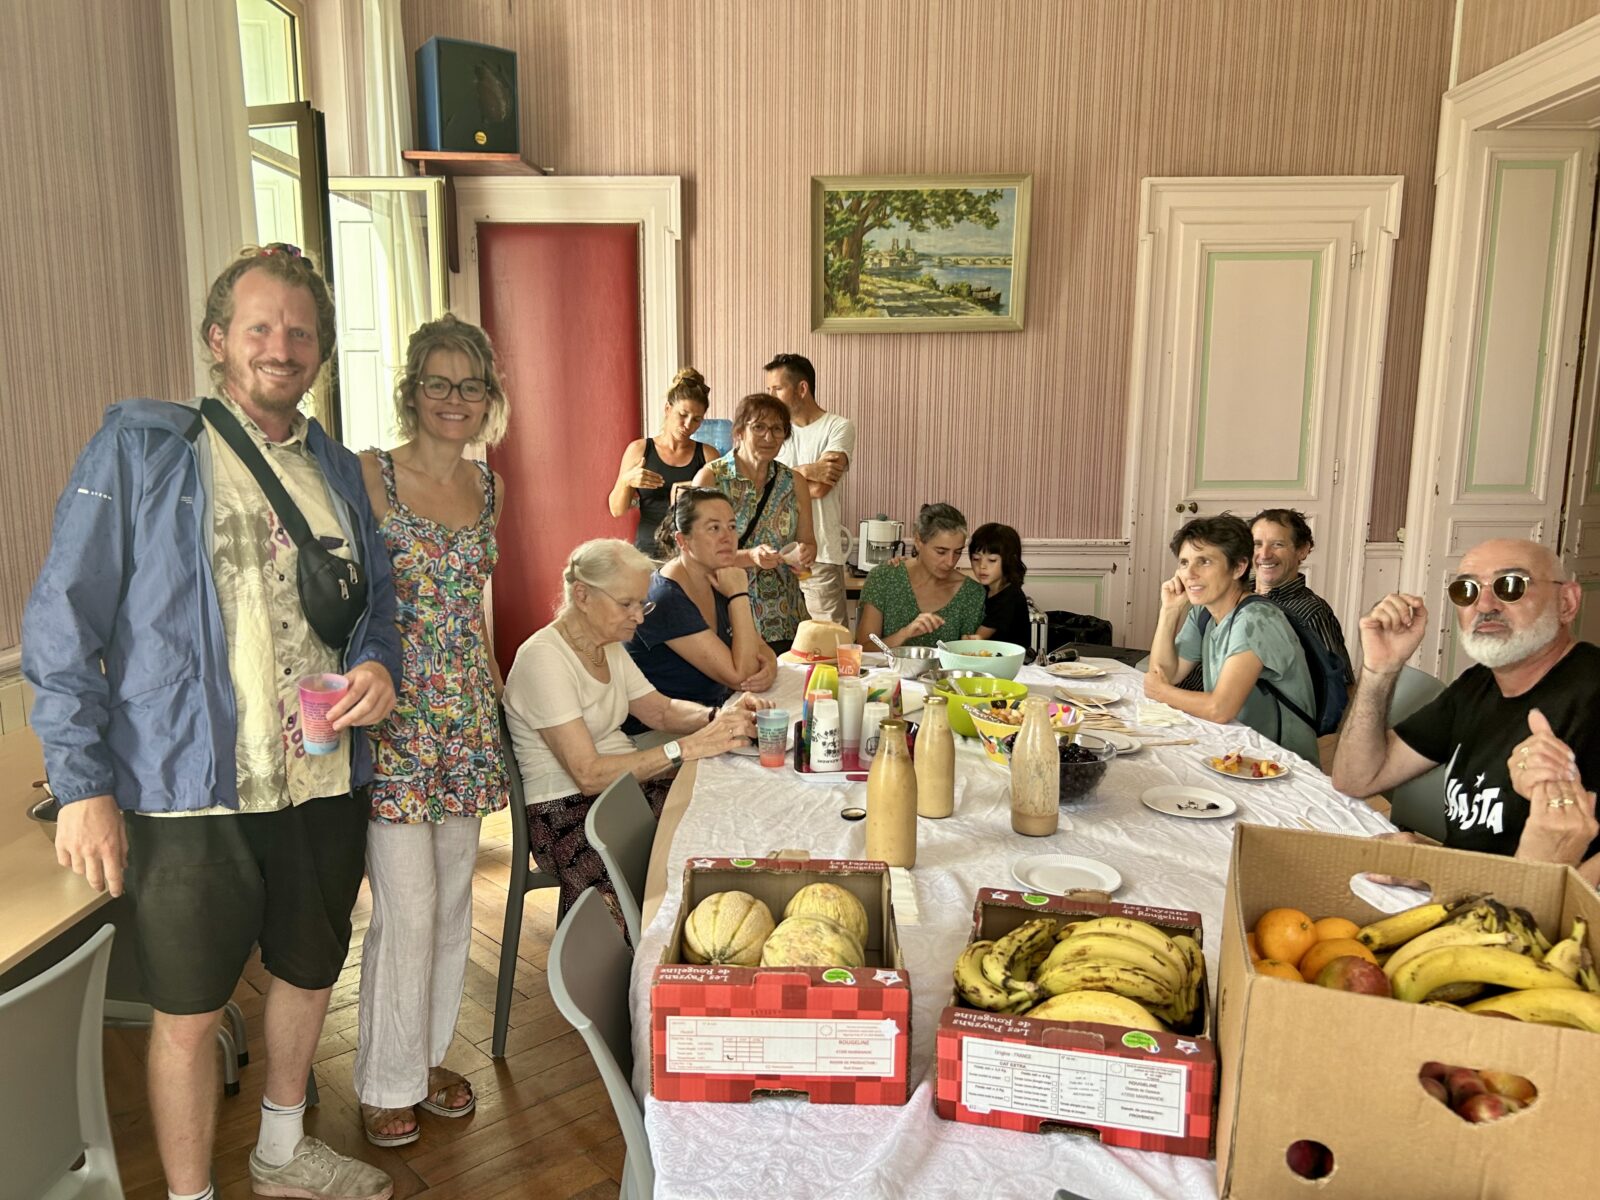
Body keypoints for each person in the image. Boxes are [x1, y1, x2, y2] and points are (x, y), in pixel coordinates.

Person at [23, 244, 400, 1200]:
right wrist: (83, 785)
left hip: (321, 776)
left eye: (301, 331)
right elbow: (62, 620)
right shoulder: (145, 450)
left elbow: (376, 608)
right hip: (188, 791)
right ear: (217, 341)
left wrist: (377, 667)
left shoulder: (336, 469)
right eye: (261, 327)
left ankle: (281, 1151)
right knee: (188, 1011)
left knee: (311, 971)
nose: (283, 346)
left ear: (320, 352)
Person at [352, 316, 510, 1147]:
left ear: (490, 398)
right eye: (439, 383)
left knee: (452, 904)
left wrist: (501, 708)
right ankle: (383, 1078)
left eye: (470, 385)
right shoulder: (368, 474)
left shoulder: (489, 486)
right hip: (393, 715)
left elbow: (470, 611)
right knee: (404, 909)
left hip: (465, 718)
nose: (455, 399)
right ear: (412, 389)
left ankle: (423, 1061)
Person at [502, 539, 767, 922]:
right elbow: (588, 774)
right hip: (565, 815)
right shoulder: (544, 658)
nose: (638, 617)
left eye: (641, 603)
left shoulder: (608, 645)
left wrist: (719, 718)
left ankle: (716, 936)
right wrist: (686, 749)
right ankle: (655, 961)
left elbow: (660, 711)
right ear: (582, 595)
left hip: (621, 792)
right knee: (687, 840)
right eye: (626, 604)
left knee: (723, 811)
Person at [1331, 539, 1600, 883]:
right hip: (1454, 896)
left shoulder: (1592, 695)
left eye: (1511, 585)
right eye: (1466, 590)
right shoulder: (1477, 685)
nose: (1484, 604)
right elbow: (1356, 778)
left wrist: (1435, 868)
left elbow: (1575, 891)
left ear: (1567, 602)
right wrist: (1379, 671)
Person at [1145, 513, 1319, 763]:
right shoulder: (1202, 612)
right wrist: (1169, 611)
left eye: (1204, 562)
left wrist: (1161, 692)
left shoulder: (1256, 619)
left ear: (1238, 567)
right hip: (1235, 754)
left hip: (1280, 764)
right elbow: (1163, 675)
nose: (1190, 574)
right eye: (1184, 563)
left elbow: (1220, 708)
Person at [626, 487, 778, 712]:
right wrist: (739, 594)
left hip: (711, 713)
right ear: (682, 541)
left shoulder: (717, 576)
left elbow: (759, 647)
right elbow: (741, 676)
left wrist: (771, 666)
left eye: (732, 526)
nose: (728, 537)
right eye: (714, 528)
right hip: (660, 730)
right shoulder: (665, 598)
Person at [692, 393, 814, 653]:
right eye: (758, 427)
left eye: (777, 429)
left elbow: (809, 541)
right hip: (728, 614)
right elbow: (694, 556)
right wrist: (750, 556)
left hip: (785, 616)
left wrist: (804, 553)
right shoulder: (711, 478)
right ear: (739, 430)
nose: (768, 437)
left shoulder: (794, 482)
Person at [765, 353, 856, 624]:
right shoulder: (772, 431)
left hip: (821, 553)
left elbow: (818, 490)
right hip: (774, 555)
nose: (770, 396)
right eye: (768, 389)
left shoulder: (838, 427)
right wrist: (806, 471)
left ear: (802, 388)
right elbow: (764, 484)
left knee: (828, 643)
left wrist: (784, 478)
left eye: (777, 388)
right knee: (782, 644)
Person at [609, 367, 714, 554]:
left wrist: (696, 487)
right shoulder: (639, 450)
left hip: (691, 555)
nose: (688, 425)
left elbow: (723, 509)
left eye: (697, 419)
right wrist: (627, 481)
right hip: (647, 553)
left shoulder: (708, 455)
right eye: (683, 415)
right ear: (668, 409)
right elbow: (617, 509)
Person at [856, 503, 986, 649]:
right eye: (941, 552)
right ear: (918, 541)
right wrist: (904, 634)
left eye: (957, 552)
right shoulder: (884, 578)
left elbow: (968, 656)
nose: (950, 562)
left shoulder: (972, 593)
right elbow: (864, 648)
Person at [1250, 507, 1354, 684]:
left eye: (1278, 544)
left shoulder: (1311, 613)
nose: (1265, 554)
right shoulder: (1234, 594)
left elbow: (1341, 685)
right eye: (1257, 544)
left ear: (1302, 550)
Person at [969, 522, 1032, 650]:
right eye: (976, 559)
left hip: (1013, 665)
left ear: (1010, 560)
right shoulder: (985, 590)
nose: (982, 566)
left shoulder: (1010, 596)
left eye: (991, 560)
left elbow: (978, 637)